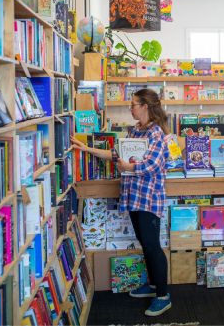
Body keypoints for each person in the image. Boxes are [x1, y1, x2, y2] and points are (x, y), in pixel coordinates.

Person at [71, 89, 171, 317]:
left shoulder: (156, 134)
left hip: (148, 199)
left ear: (145, 106)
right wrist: (86, 148)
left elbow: (151, 165)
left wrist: (129, 167)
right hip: (134, 196)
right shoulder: (136, 131)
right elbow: (116, 155)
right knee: (145, 244)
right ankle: (154, 285)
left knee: (152, 245)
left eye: (134, 104)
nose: (131, 108)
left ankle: (163, 296)